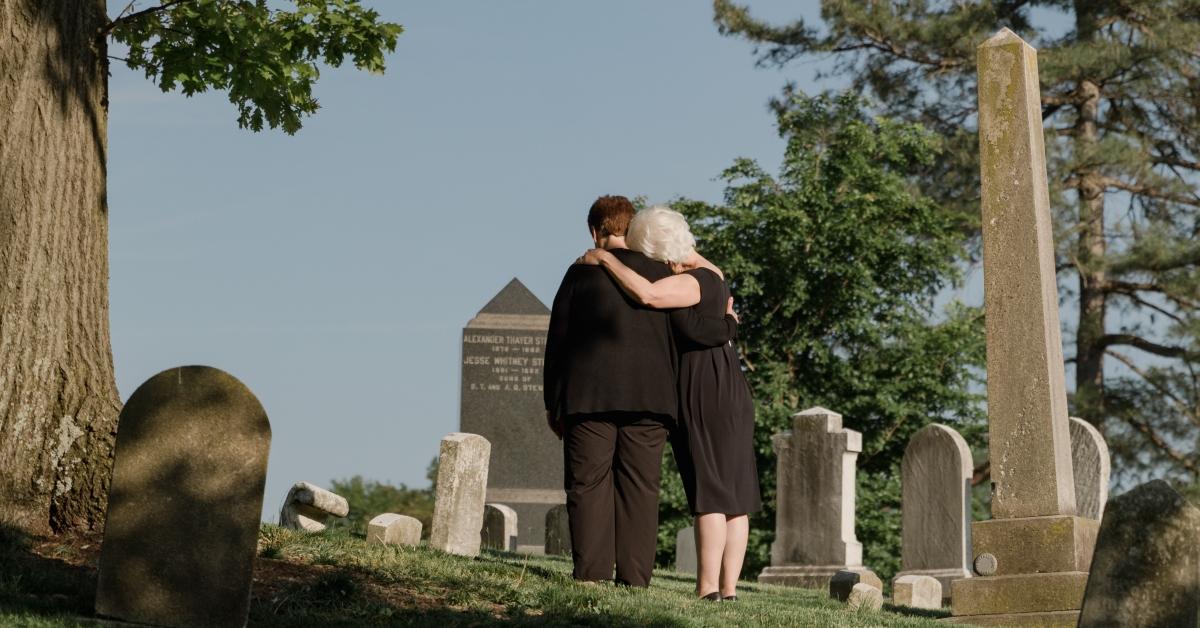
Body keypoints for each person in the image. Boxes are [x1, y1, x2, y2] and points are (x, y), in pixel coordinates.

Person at [543, 195, 738, 587]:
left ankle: (591, 575)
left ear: (594, 231)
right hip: (652, 398)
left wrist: (554, 403)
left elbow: (558, 340)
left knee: (589, 484)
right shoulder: (662, 274)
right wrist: (729, 325)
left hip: (588, 396)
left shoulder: (580, 272)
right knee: (640, 488)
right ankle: (635, 580)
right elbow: (689, 330)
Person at [578, 205, 761, 601]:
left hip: (704, 388)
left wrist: (606, 258)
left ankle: (707, 588)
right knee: (736, 496)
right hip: (729, 386)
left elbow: (646, 294)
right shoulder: (713, 275)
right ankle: (728, 590)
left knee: (711, 491)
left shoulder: (692, 283)